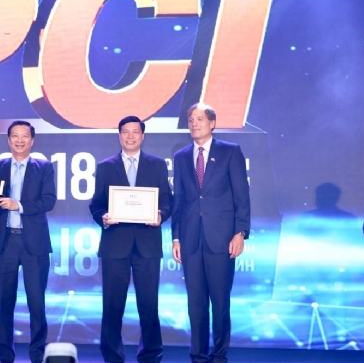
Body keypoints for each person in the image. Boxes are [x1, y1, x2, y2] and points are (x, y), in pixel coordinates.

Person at [89, 115, 173, 363]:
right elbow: (96, 204)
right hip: (115, 246)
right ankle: (112, 357)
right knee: (112, 306)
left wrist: (161, 215)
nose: (130, 136)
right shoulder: (105, 167)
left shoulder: (157, 165)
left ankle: (150, 356)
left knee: (149, 305)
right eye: (125, 132)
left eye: (135, 132)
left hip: (148, 245)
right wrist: (103, 218)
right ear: (119, 135)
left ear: (142, 136)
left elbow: (167, 201)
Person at [171, 103, 251, 363]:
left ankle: (218, 354)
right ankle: (198, 354)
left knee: (220, 302)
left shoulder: (230, 152)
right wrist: (176, 237)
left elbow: (242, 197)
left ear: (212, 123)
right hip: (190, 239)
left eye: (200, 119)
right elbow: (179, 200)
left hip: (222, 239)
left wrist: (240, 232)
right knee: (195, 302)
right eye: (191, 119)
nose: (194, 123)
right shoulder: (181, 156)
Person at [0, 120, 57, 363]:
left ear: (32, 140)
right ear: (8, 140)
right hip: (6, 242)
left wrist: (18, 205)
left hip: (34, 244)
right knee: (5, 303)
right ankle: (4, 356)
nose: (19, 140)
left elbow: (49, 201)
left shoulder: (44, 167)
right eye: (14, 136)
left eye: (24, 136)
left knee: (36, 304)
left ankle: (37, 356)